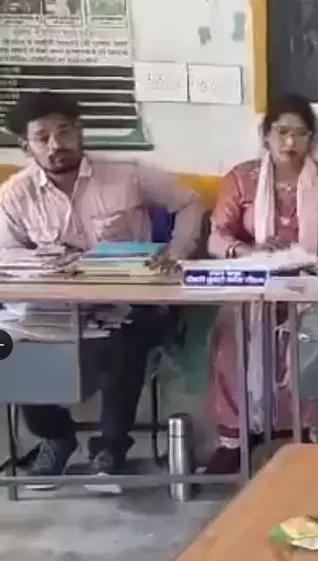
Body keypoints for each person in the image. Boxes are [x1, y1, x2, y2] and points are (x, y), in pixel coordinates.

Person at [0, 91, 204, 479]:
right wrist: (46, 264)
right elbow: (6, 256)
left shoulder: (127, 175)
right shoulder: (14, 194)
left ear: (80, 133)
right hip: (51, 310)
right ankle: (55, 437)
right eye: (43, 137)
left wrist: (176, 251)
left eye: (64, 131)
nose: (56, 144)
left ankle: (110, 447)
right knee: (7, 349)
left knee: (125, 341)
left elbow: (189, 202)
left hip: (126, 304)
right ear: (26, 146)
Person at [203, 93, 318, 475]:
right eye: (282, 132)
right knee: (230, 339)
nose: (290, 143)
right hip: (255, 288)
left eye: (300, 134)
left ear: (312, 139)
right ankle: (236, 439)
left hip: (313, 287)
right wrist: (249, 250)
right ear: (266, 135)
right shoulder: (241, 179)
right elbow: (216, 238)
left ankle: (316, 434)